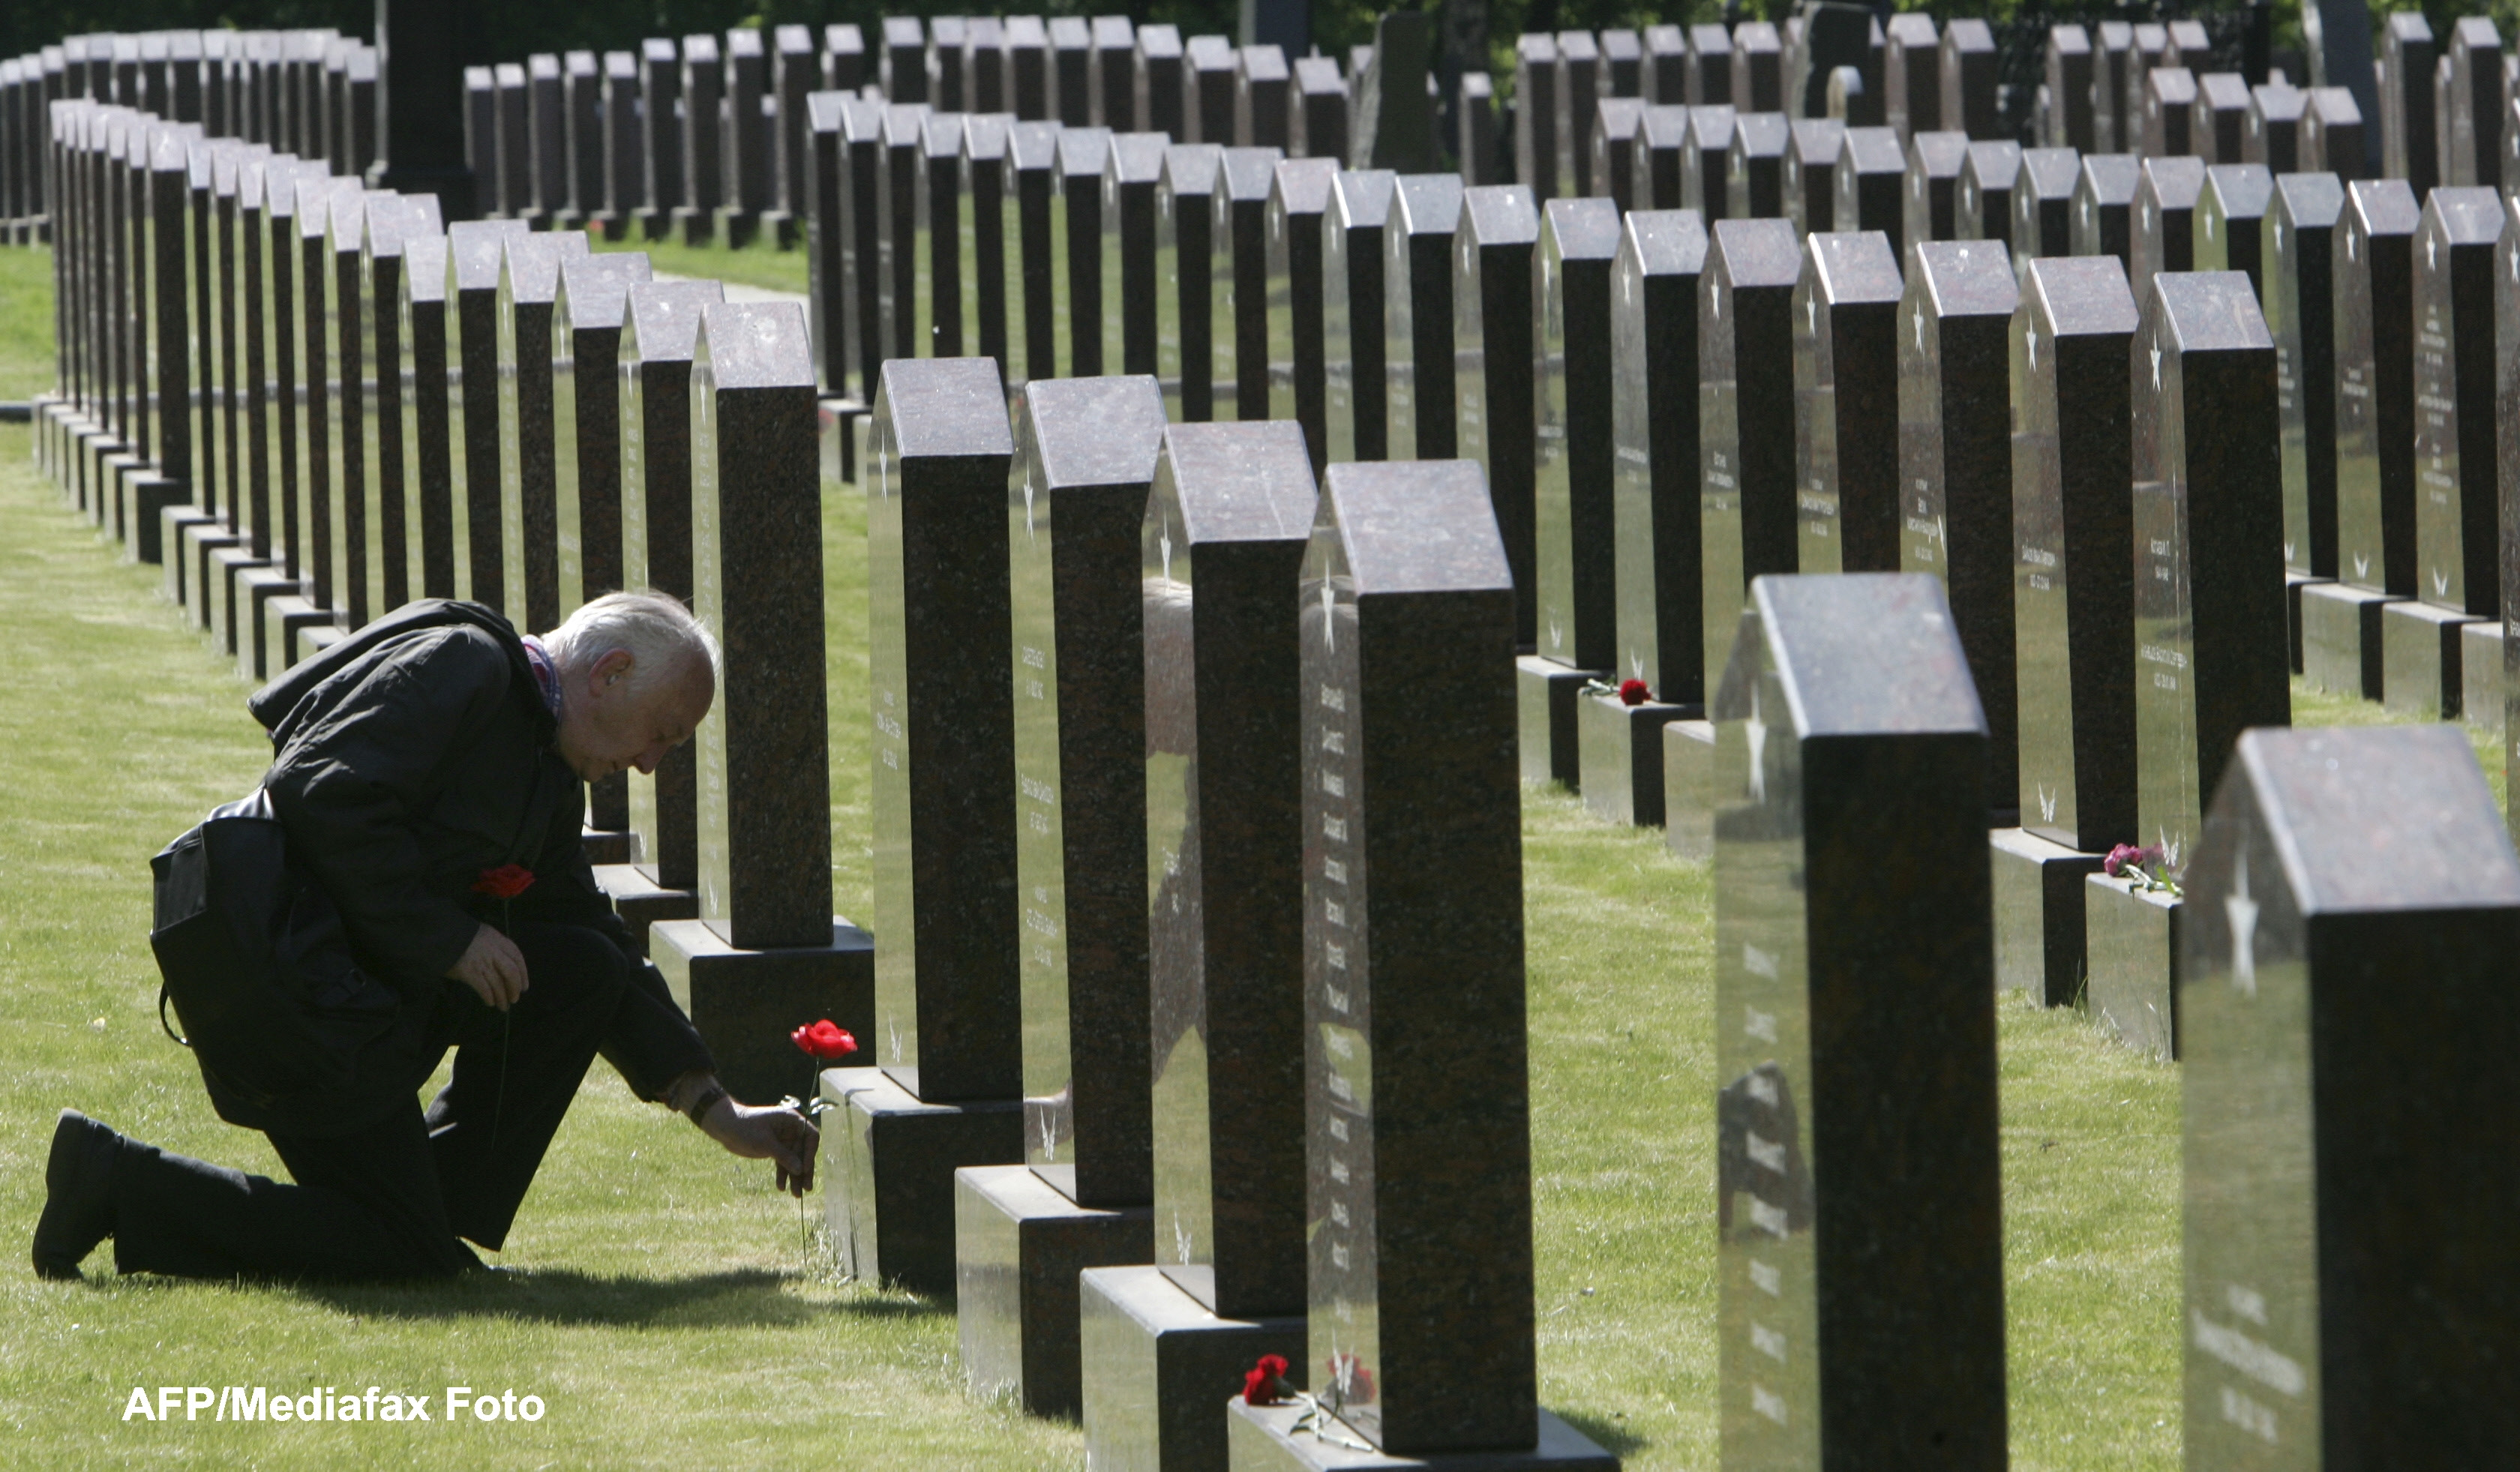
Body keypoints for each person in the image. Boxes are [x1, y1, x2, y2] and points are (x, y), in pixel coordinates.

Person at [32, 592, 817, 1280]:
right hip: (280, 985)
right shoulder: (463, 666)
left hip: (350, 988)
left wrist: (717, 1107)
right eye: (661, 734)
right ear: (609, 674)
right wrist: (449, 939)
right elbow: (317, 790)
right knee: (403, 1256)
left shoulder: (548, 771)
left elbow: (590, 935)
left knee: (579, 965)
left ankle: (424, 1210)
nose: (649, 764)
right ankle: (113, 1177)